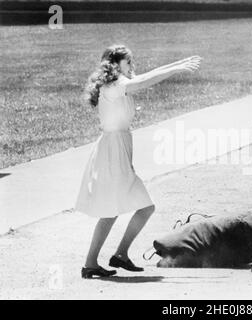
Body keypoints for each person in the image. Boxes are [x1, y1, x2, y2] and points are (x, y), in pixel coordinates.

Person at [76, 45, 201, 278]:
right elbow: (146, 81)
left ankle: (109, 258)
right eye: (128, 62)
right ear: (115, 64)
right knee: (129, 209)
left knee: (124, 209)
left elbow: (144, 77)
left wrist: (178, 63)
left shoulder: (117, 86)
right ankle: (98, 261)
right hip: (112, 152)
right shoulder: (114, 87)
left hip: (117, 150)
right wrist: (178, 69)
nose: (132, 67)